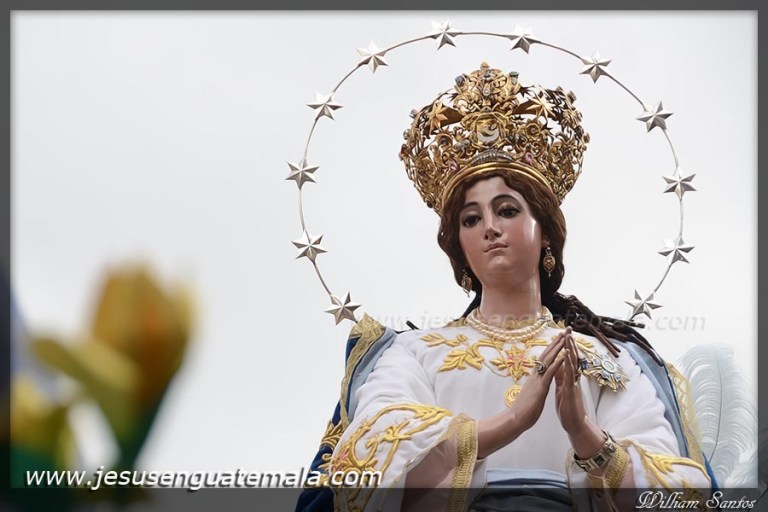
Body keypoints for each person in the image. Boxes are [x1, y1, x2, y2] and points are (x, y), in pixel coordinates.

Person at [296, 63, 715, 512]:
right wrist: (511, 421)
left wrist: (586, 436)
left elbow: (680, 494)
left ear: (545, 231)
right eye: (471, 219)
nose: (490, 228)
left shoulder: (610, 359)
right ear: (459, 245)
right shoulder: (411, 353)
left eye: (508, 210)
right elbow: (367, 473)